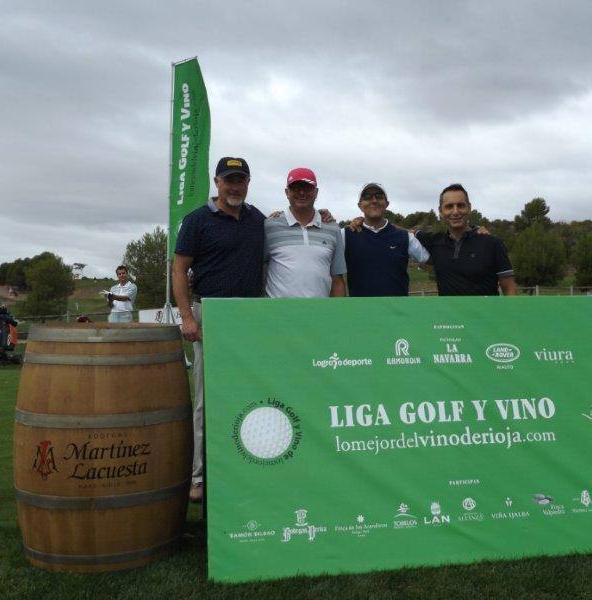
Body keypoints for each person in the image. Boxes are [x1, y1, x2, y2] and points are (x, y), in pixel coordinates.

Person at [172, 156, 265, 503]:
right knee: (205, 399)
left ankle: (246, 463)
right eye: (229, 180)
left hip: (250, 317)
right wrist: (187, 317)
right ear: (217, 182)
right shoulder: (197, 220)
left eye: (241, 180)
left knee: (250, 393)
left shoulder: (257, 220)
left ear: (247, 183)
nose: (235, 186)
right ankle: (198, 476)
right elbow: (179, 270)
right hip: (211, 311)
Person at [416, 183, 517, 296]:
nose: (455, 211)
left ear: (469, 208)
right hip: (448, 314)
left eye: (460, 205)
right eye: (449, 206)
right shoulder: (435, 242)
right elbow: (405, 233)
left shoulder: (492, 243)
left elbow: (509, 289)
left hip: (485, 313)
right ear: (441, 211)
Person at [264, 167, 346, 298]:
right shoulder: (270, 226)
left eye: (307, 188)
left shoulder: (332, 228)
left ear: (316, 192)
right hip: (276, 315)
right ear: (286, 192)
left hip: (318, 314)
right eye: (295, 187)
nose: (301, 192)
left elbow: (337, 280)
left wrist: (338, 314)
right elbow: (258, 269)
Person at [343, 182, 429, 296]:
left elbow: (431, 260)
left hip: (398, 311)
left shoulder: (405, 237)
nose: (374, 200)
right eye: (367, 197)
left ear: (387, 203)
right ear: (360, 205)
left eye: (379, 196)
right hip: (360, 311)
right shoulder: (345, 235)